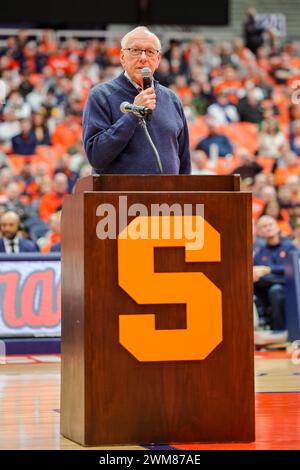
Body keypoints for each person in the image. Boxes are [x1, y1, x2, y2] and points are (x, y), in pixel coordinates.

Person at [82, 26, 191, 175]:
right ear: (122, 57)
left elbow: (184, 161)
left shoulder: (172, 100)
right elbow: (96, 156)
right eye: (135, 50)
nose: (143, 58)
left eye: (150, 52)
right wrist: (133, 114)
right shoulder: (101, 96)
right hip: (119, 197)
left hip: (167, 197)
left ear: (158, 59)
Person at [253, 215, 296, 331]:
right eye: (264, 226)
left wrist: (268, 270)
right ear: (260, 232)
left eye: (270, 225)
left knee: (276, 289)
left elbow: (292, 269)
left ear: (277, 227)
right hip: (267, 291)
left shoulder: (289, 247)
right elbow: (256, 274)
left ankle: (280, 330)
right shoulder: (259, 253)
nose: (268, 228)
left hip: (291, 286)